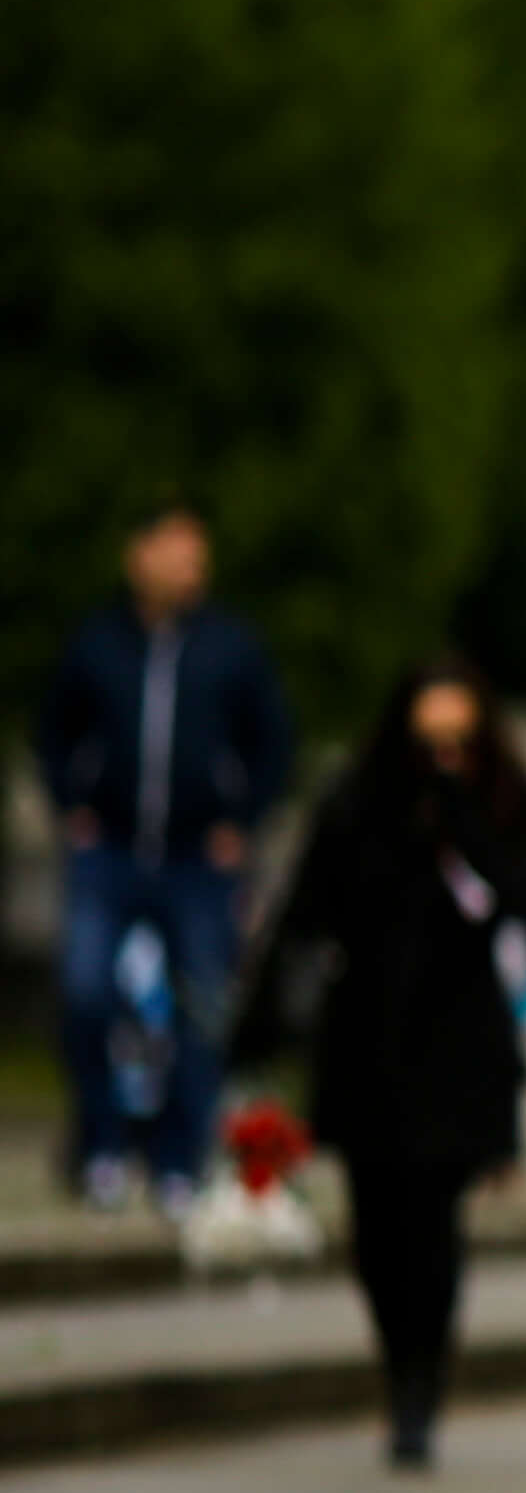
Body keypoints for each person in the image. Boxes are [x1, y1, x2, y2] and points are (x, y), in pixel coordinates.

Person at [238, 658, 526, 1468]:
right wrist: (264, 1016)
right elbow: (306, 909)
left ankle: (420, 1392)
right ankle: (397, 1363)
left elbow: (524, 895)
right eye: (430, 742)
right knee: (378, 1226)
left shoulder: (505, 800)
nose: (443, 756)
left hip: (460, 1042)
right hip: (367, 1037)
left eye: (460, 742)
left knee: (434, 1220)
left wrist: (460, 816)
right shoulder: (355, 803)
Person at [35, 501, 295, 1209]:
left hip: (196, 859)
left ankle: (181, 1157)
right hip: (111, 850)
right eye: (177, 553)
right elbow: (55, 730)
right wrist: (70, 807)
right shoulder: (97, 641)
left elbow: (272, 741)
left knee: (202, 1006)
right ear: (139, 554)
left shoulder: (230, 646)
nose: (191, 569)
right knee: (88, 993)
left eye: (198, 557)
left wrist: (242, 822)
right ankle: (103, 1148)